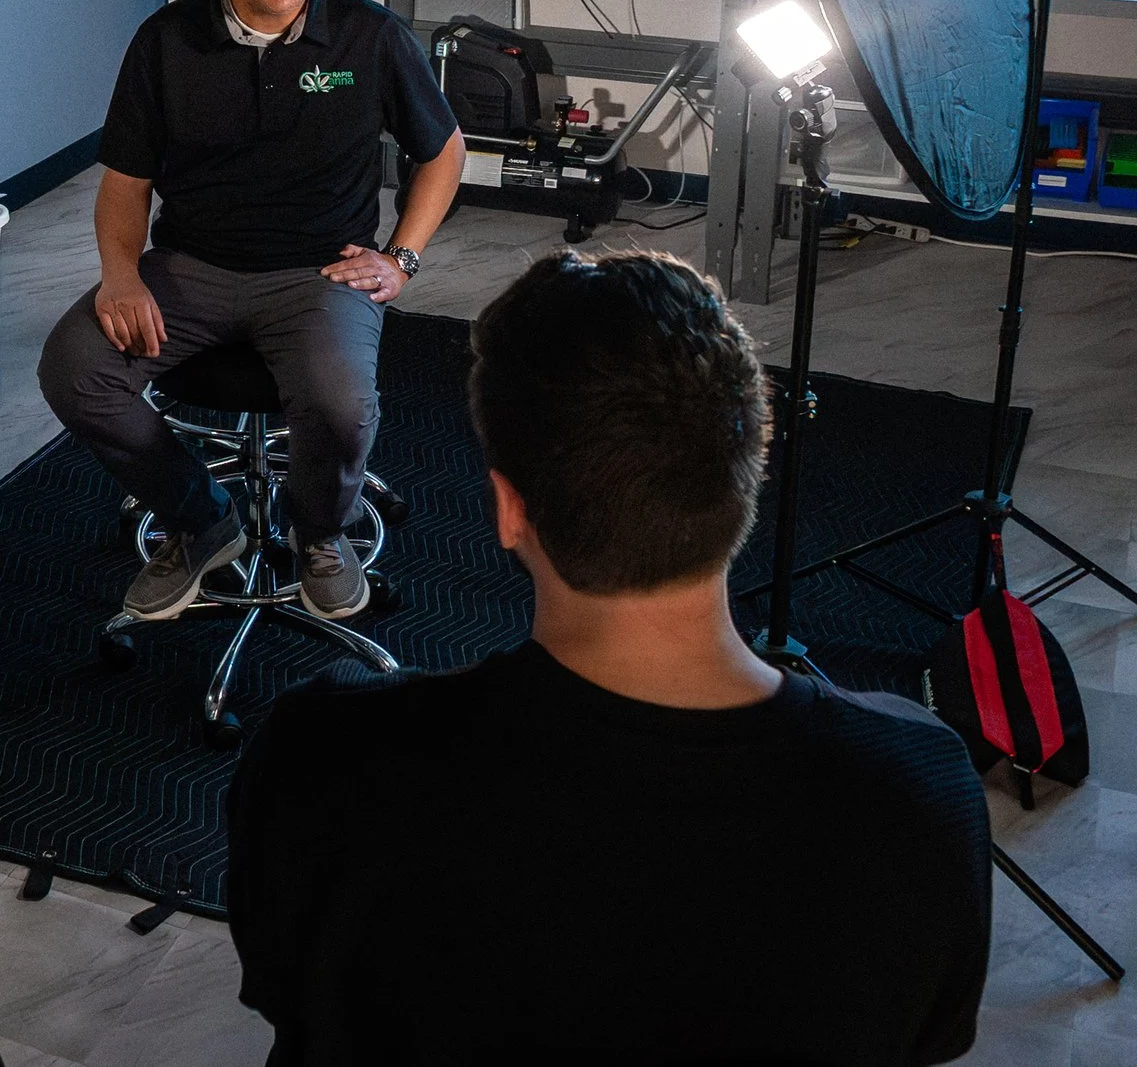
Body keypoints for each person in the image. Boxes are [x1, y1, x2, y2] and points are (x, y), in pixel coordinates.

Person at [228, 250, 992, 1066]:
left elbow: (284, 989)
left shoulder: (325, 754)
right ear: (744, 482)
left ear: (510, 507)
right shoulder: (920, 791)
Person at [40, 0, 466, 622]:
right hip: (190, 267)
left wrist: (401, 258)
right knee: (73, 368)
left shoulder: (369, 38)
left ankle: (321, 538)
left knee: (339, 404)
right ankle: (201, 519)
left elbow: (443, 148)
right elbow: (126, 183)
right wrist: (121, 274)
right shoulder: (166, 41)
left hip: (320, 274)